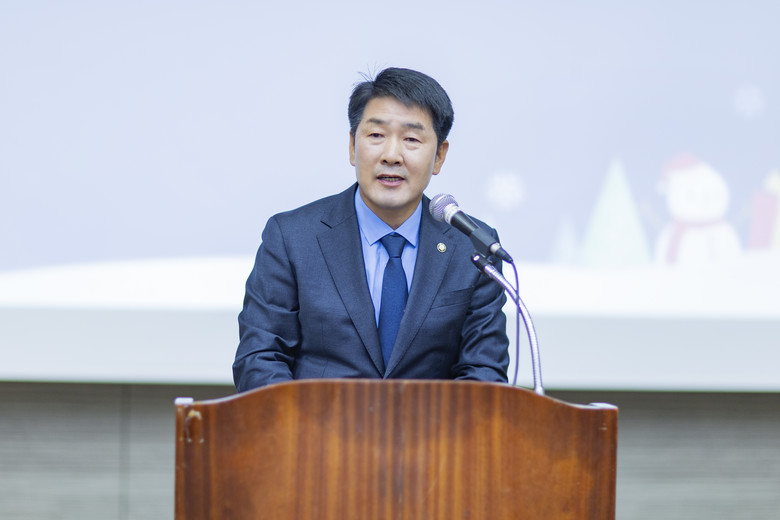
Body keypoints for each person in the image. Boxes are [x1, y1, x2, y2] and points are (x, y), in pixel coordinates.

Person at [233, 67, 509, 392]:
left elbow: (484, 373)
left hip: (432, 425)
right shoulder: (292, 238)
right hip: (316, 424)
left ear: (439, 156)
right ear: (353, 146)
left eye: (411, 139)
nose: (391, 155)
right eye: (376, 135)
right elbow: (260, 358)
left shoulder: (473, 245)